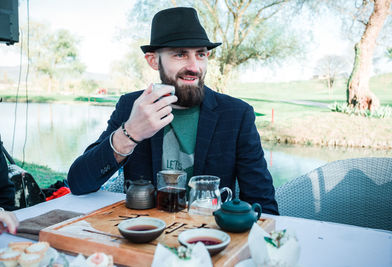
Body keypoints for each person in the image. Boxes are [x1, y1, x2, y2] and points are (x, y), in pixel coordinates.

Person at [68, 7, 279, 214]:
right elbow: (79, 183)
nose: (195, 66)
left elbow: (263, 205)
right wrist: (130, 133)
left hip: (209, 238)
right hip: (145, 236)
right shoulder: (132, 106)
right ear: (153, 61)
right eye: (180, 54)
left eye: (201, 54)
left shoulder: (236, 114)